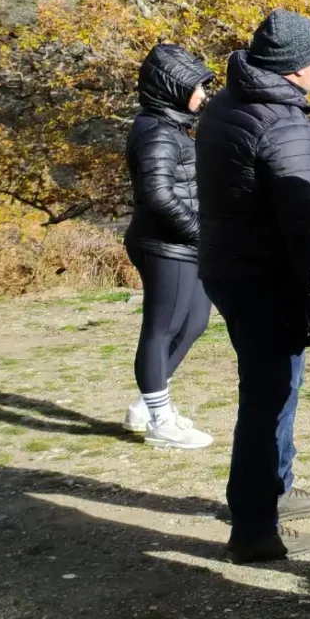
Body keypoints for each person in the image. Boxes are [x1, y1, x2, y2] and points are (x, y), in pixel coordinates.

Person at [197, 10, 310, 563]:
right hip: (265, 279)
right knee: (268, 400)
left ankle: (275, 491)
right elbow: (306, 226)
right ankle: (254, 528)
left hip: (229, 267)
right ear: (298, 67)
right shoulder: (283, 124)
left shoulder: (228, 104)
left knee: (273, 391)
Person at [123, 42, 216, 450]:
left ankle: (147, 405)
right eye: (196, 87)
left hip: (182, 244)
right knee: (160, 330)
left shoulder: (169, 126)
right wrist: (202, 231)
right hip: (166, 246)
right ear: (171, 88)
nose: (202, 95)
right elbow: (159, 196)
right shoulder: (158, 133)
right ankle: (160, 420)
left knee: (194, 321)